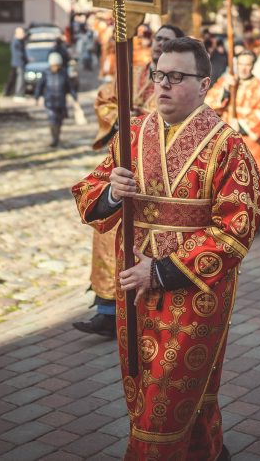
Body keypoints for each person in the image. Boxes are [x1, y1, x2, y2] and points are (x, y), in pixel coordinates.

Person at [71, 37, 260, 460]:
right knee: (151, 392)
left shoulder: (227, 147)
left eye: (177, 77)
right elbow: (89, 193)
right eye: (159, 75)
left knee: (161, 408)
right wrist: (113, 195)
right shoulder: (134, 133)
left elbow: (236, 229)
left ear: (204, 84)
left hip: (193, 295)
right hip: (134, 294)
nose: (163, 85)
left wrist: (158, 270)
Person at [73, 24, 182, 338]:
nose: (160, 44)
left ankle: (140, 309)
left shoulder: (178, 83)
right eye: (158, 38)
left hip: (158, 171)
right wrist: (123, 117)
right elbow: (105, 100)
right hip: (126, 156)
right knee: (108, 231)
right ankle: (107, 307)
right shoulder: (131, 74)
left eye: (168, 40)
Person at [206, 50, 260, 221]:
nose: (243, 68)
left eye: (247, 64)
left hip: (251, 141)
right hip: (229, 140)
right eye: (241, 64)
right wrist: (226, 90)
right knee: (228, 180)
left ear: (253, 65)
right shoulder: (227, 80)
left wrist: (241, 125)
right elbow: (210, 104)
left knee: (251, 180)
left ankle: (252, 218)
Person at [34, 52, 78, 147]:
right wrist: (36, 97)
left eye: (57, 65)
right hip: (50, 101)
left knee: (59, 120)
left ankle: (57, 137)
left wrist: (74, 97)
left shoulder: (64, 73)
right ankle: (54, 139)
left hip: (61, 101)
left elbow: (70, 87)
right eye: (54, 65)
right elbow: (39, 86)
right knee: (52, 120)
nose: (55, 67)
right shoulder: (46, 73)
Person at [6, 26, 26, 98]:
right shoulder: (16, 42)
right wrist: (24, 57)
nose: (23, 34)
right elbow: (18, 53)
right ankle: (18, 94)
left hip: (18, 63)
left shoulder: (20, 41)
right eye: (22, 33)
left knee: (13, 78)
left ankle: (8, 92)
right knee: (20, 79)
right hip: (18, 63)